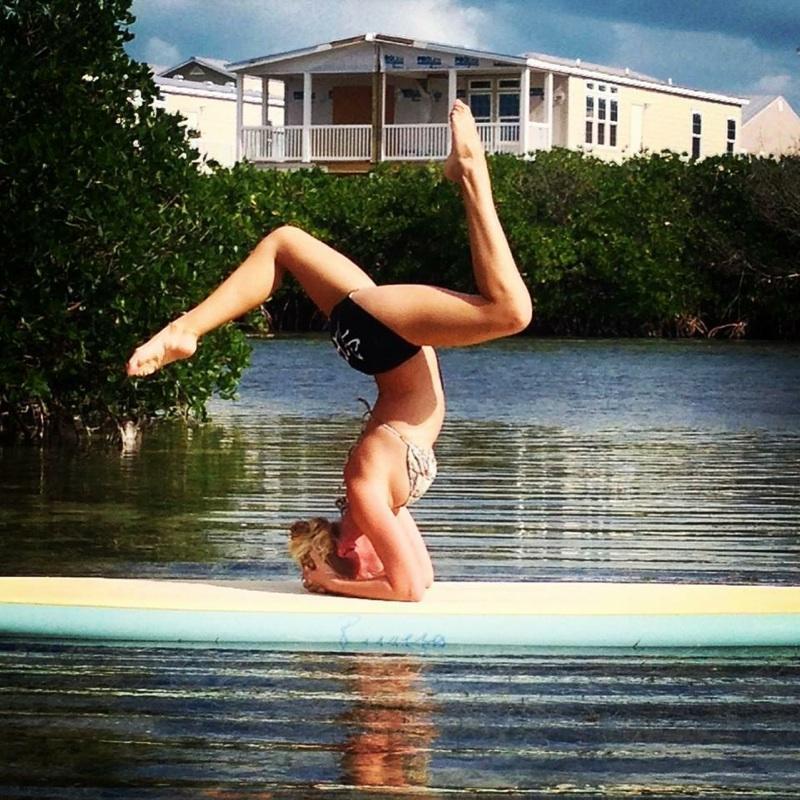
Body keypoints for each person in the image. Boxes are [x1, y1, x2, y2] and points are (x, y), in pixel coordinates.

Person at [126, 100, 533, 602]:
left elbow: (404, 590)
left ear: (346, 550)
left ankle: (471, 171)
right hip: (380, 342)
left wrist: (328, 582)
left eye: (363, 567)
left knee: (510, 312)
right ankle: (187, 329)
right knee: (283, 243)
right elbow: (421, 579)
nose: (376, 567)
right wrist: (340, 580)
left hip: (386, 342)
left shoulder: (363, 494)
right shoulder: (372, 505)